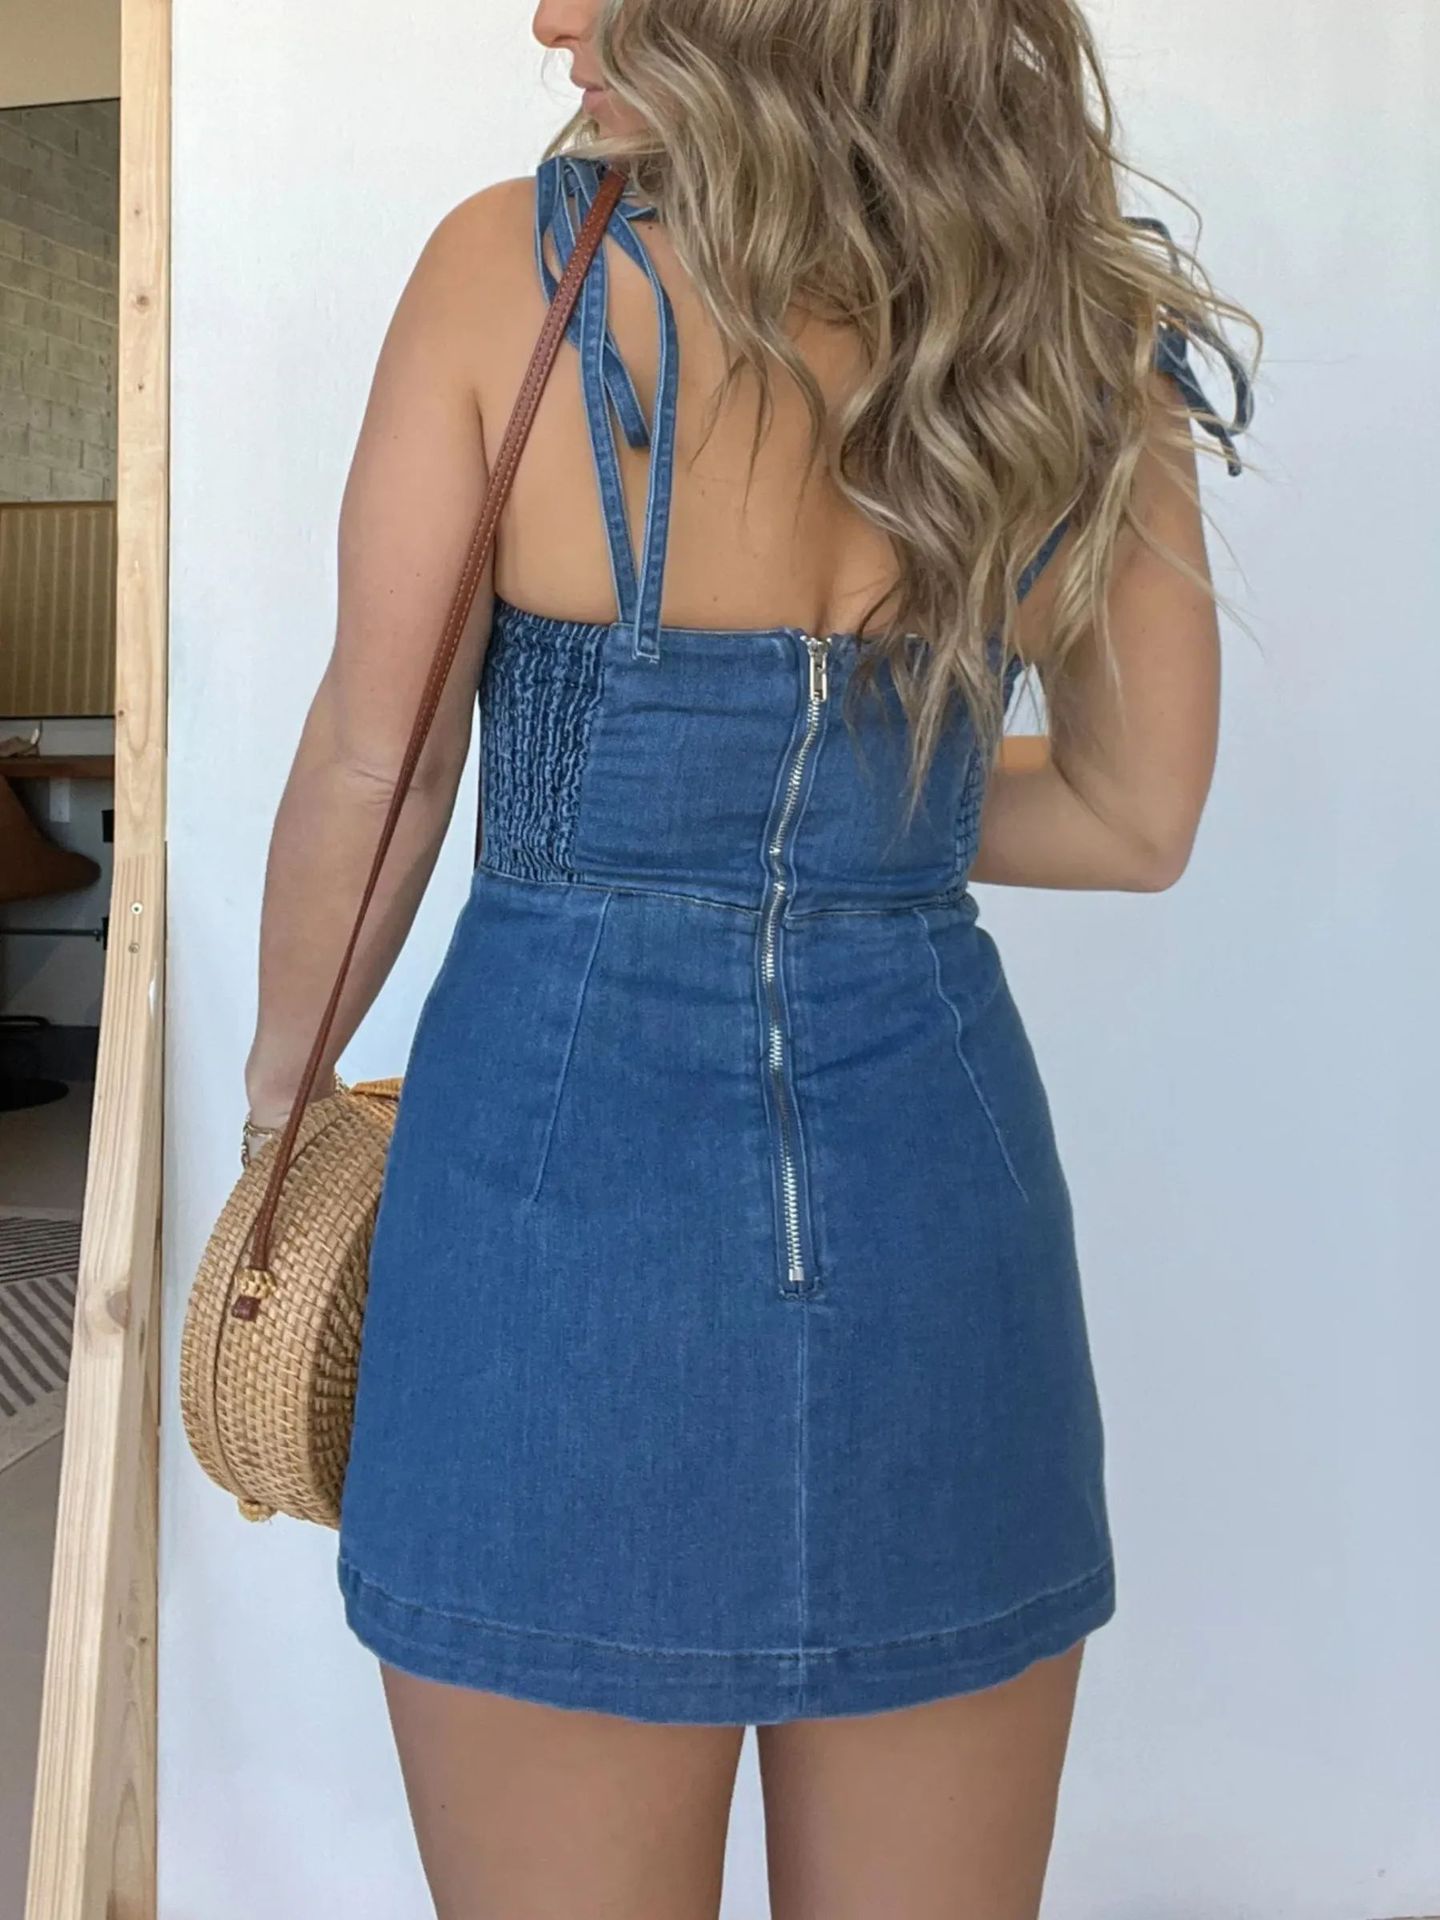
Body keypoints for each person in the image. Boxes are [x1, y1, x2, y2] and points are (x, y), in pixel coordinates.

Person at [241, 1, 1258, 1913]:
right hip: (934, 1240)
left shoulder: (507, 274)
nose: (548, 15)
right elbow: (1136, 819)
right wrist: (850, 812)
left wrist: (279, 1099)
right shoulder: (1072, 332)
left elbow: (385, 771)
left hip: (544, 1232)